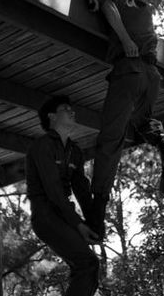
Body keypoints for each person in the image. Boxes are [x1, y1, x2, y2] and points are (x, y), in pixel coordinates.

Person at [88, 0, 164, 239]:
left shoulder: (119, 0)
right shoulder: (146, 10)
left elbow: (105, 2)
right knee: (143, 123)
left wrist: (124, 37)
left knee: (110, 139)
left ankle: (98, 209)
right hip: (152, 77)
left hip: (128, 70)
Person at [26, 95, 99, 296]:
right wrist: (78, 224)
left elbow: (82, 189)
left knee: (89, 266)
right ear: (51, 117)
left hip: (63, 215)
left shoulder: (75, 151)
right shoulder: (42, 146)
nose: (72, 111)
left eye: (71, 109)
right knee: (88, 263)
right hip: (46, 216)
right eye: (66, 109)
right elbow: (54, 192)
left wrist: (93, 222)